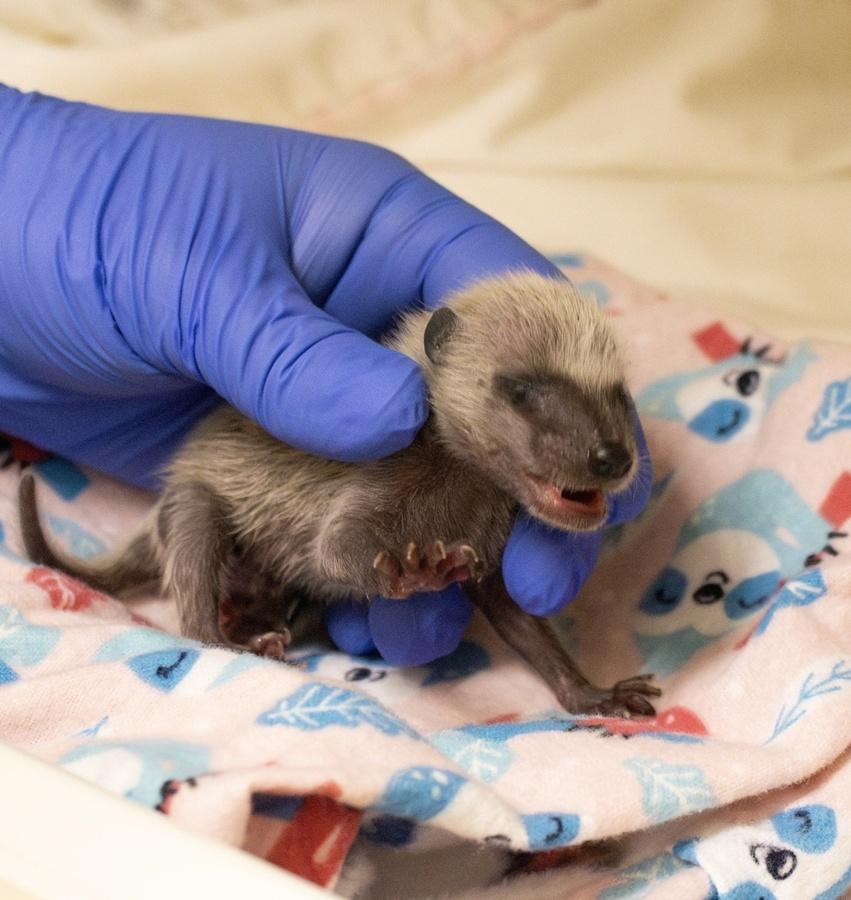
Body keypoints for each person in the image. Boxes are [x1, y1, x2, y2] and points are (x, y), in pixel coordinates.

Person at [0, 85, 651, 665]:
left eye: (610, 396)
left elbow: (487, 595)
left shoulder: (486, 487)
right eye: (527, 395)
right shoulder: (395, 436)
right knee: (198, 505)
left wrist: (582, 691)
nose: (604, 444)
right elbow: (341, 552)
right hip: (239, 504)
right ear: (446, 357)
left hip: (294, 551)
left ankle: (262, 613)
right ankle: (204, 639)